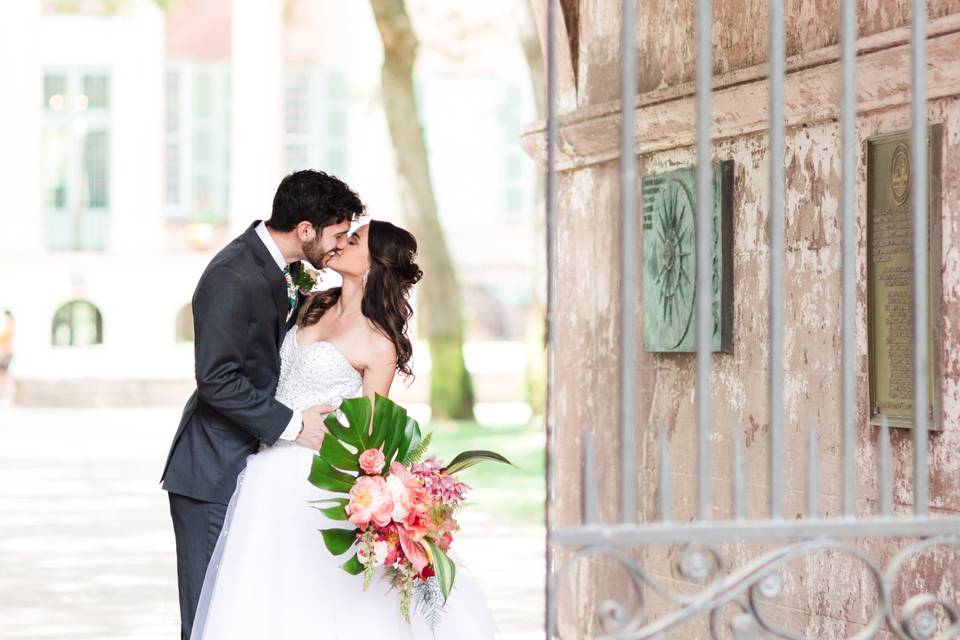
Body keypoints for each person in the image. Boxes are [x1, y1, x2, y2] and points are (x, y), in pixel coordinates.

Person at [191, 220, 497, 639]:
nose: (339, 242)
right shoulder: (310, 303)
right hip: (266, 469)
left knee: (319, 598)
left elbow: (372, 433)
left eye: (353, 240)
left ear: (373, 265)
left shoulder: (378, 342)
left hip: (316, 476)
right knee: (262, 593)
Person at [160, 170, 366, 639]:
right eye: (335, 235)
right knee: (209, 616)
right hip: (212, 471)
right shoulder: (232, 275)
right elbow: (217, 379)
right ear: (306, 229)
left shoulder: (282, 267)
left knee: (246, 611)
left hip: (256, 471)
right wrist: (296, 425)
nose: (338, 246)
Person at [0, 310, 14, 402]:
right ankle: (5, 396)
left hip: (6, 355)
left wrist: (4, 355)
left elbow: (6, 344)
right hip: (5, 354)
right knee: (4, 376)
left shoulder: (10, 329)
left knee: (4, 376)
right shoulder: (9, 328)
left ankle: (6, 396)